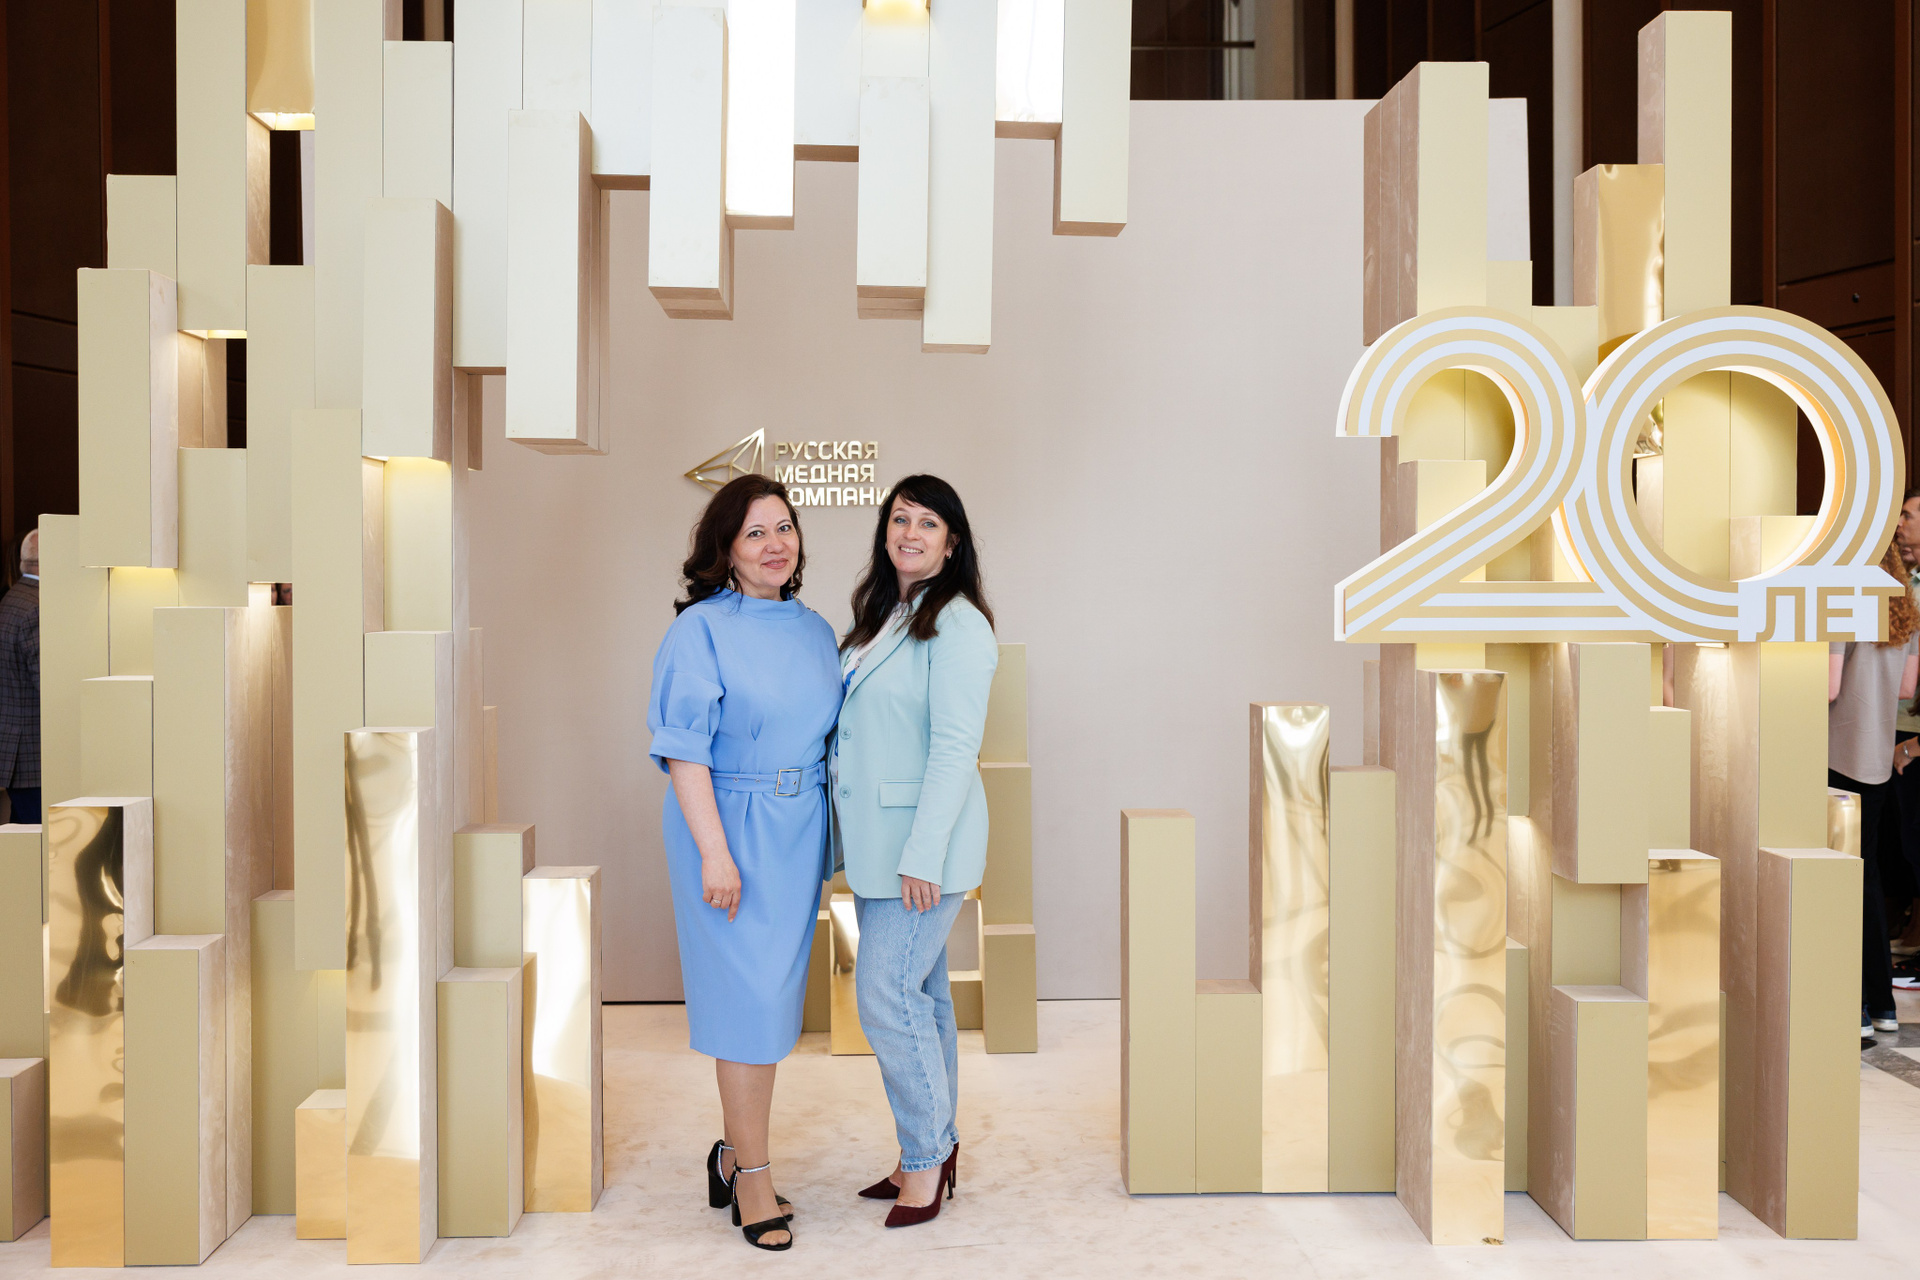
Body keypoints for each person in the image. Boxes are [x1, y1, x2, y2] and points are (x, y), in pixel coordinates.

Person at [647, 475, 842, 1251]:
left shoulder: (817, 630)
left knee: (772, 1007)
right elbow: (682, 750)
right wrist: (715, 853)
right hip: (726, 827)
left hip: (797, 833)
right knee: (747, 1008)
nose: (774, 544)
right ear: (726, 548)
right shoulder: (700, 629)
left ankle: (732, 1154)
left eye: (784, 528)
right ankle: (752, 1178)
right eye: (756, 532)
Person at [832, 475, 998, 1228]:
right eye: (900, 518)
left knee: (886, 997)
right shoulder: (885, 614)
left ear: (952, 542)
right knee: (922, 1001)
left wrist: (924, 853)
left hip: (921, 852)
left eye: (928, 522)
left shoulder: (958, 623)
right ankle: (929, 1149)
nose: (910, 533)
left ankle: (927, 1157)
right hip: (881, 845)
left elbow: (956, 748)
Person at [1831, 537, 1920, 1044]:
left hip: (1835, 755)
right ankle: (1882, 1004)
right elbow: (1906, 688)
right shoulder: (1903, 604)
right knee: (1867, 878)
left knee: (1839, 883)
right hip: (1877, 759)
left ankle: (1855, 1008)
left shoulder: (1843, 598)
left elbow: (1827, 687)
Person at [0, 529, 41, 825]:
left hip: (18, 752)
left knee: (23, 840)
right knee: (41, 841)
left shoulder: (12, 598)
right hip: (33, 754)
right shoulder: (38, 608)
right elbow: (49, 683)